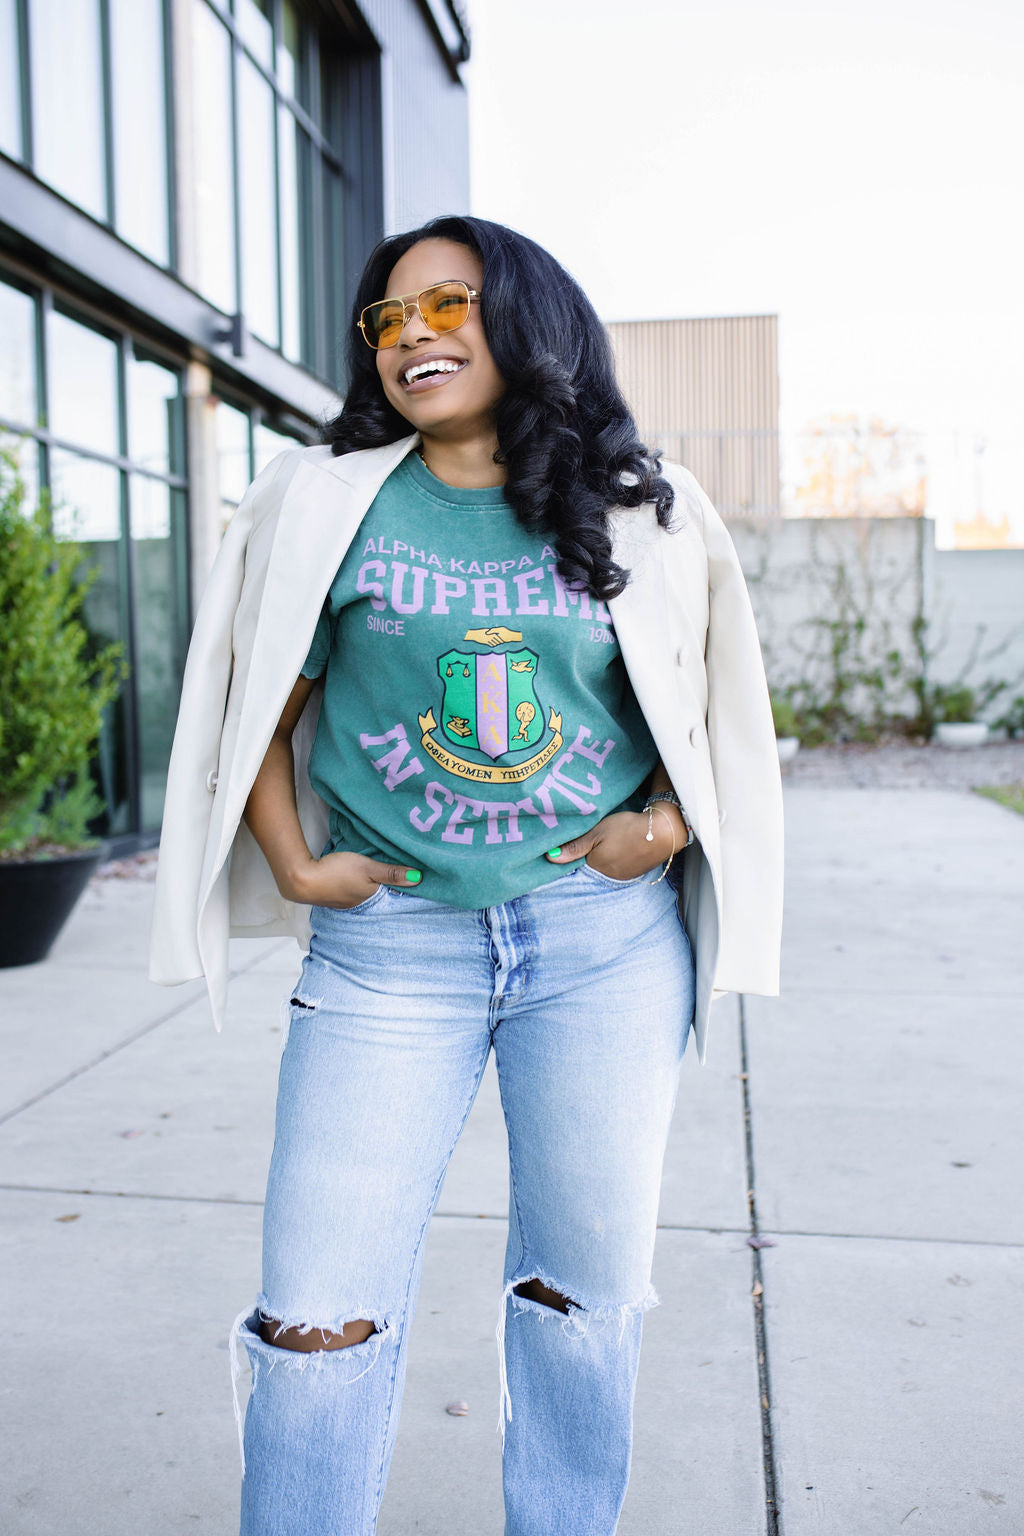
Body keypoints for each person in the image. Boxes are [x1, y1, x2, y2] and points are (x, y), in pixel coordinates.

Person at [148, 213, 784, 1536]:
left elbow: (717, 708)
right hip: (389, 955)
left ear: (530, 322)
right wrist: (294, 864)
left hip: (602, 945)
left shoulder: (643, 505)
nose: (412, 334)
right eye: (389, 317)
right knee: (314, 1317)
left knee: (582, 1301)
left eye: (449, 304)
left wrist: (662, 829)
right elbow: (253, 704)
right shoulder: (322, 501)